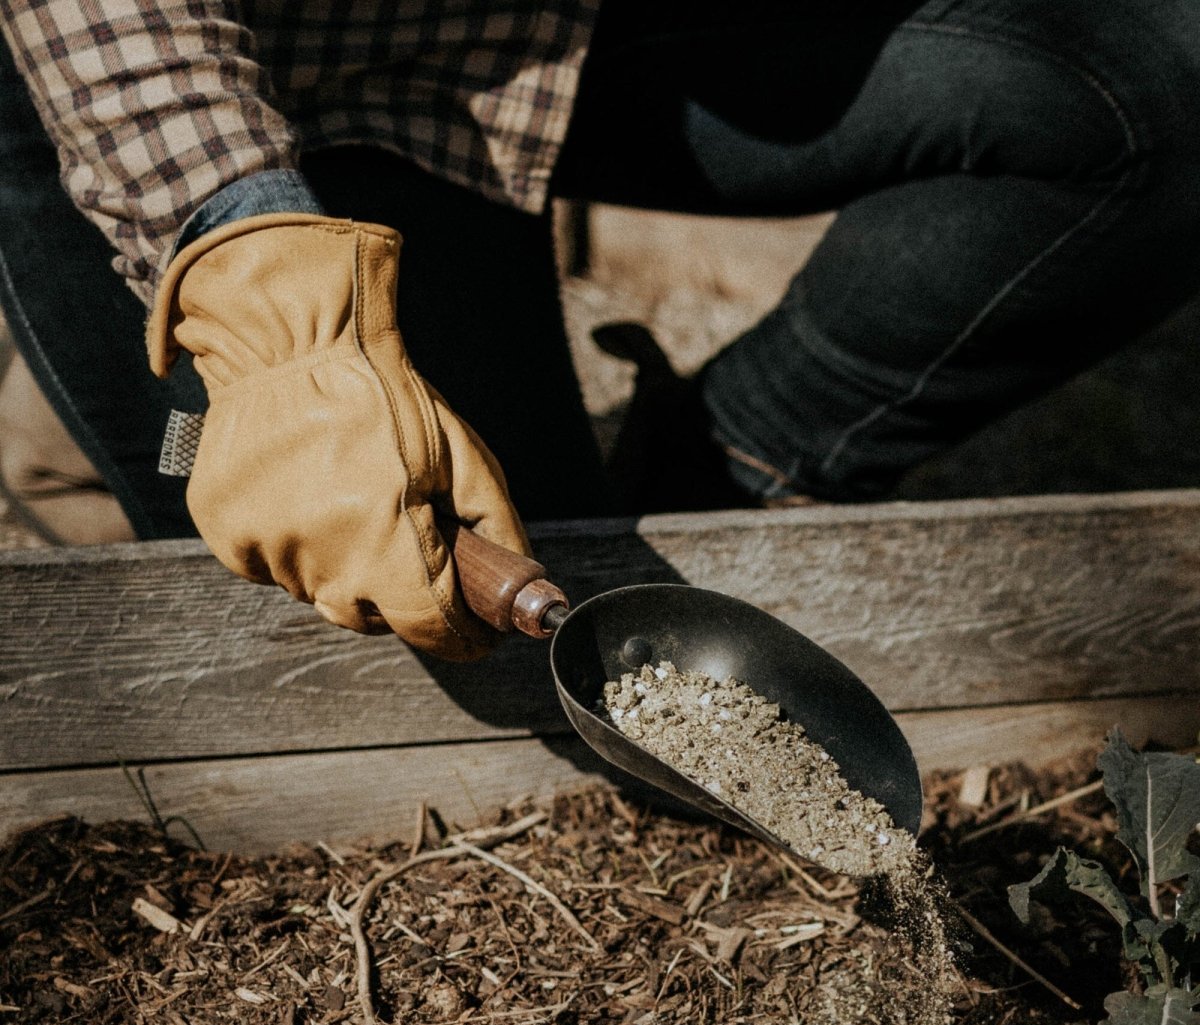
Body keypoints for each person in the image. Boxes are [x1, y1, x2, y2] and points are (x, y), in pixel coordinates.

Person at [2, 0, 1199, 659]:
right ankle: (94, 440)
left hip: (509, 32)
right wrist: (282, 336)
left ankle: (726, 467)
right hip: (159, 71)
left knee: (1148, 90)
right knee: (345, 574)